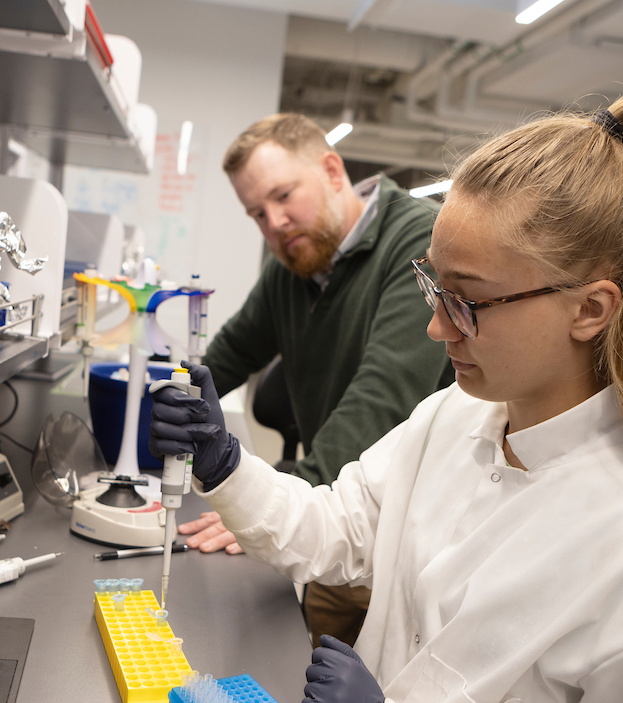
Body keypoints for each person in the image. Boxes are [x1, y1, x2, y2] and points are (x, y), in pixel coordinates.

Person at [151, 84, 623, 703]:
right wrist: (228, 467)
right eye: (434, 286)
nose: (435, 328)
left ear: (590, 308)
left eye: (468, 301)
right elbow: (340, 529)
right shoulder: (458, 415)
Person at [181, 113, 453, 647]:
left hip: (403, 540)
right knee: (305, 677)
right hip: (332, 524)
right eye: (257, 213)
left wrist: (267, 508)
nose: (275, 222)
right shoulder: (294, 268)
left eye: (284, 196)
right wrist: (170, 406)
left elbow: (383, 396)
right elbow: (228, 354)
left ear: (332, 170)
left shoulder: (420, 240)